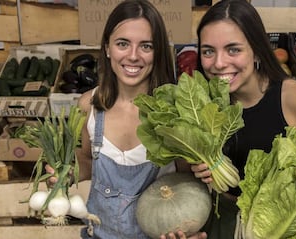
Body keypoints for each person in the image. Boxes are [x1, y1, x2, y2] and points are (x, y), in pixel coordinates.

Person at [61, 0, 207, 238]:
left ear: (157, 52)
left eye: (146, 46)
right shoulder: (88, 106)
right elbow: (87, 161)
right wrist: (65, 174)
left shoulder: (174, 114)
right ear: (107, 48)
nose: (133, 56)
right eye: (122, 44)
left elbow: (187, 185)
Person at [190, 0, 296, 238]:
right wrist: (196, 169)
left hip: (278, 228)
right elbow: (185, 170)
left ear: (256, 49)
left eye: (233, 49)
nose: (219, 63)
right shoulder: (201, 104)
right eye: (208, 51)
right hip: (217, 224)